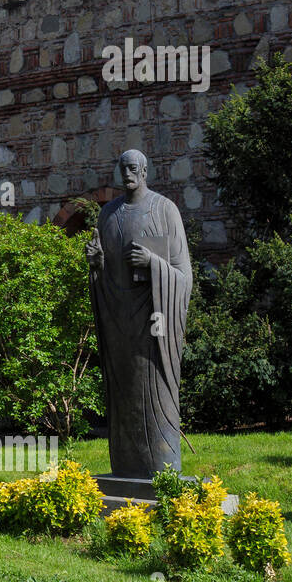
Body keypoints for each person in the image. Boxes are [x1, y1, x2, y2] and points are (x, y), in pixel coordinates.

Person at [85, 150, 192, 479]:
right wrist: (95, 265)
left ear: (145, 171)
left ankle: (161, 472)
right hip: (119, 326)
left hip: (153, 326)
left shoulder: (165, 210)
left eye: (133, 169)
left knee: (156, 393)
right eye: (122, 169)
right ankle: (127, 469)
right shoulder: (109, 215)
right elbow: (104, 279)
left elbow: (184, 276)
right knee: (123, 399)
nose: (127, 174)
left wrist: (153, 264)